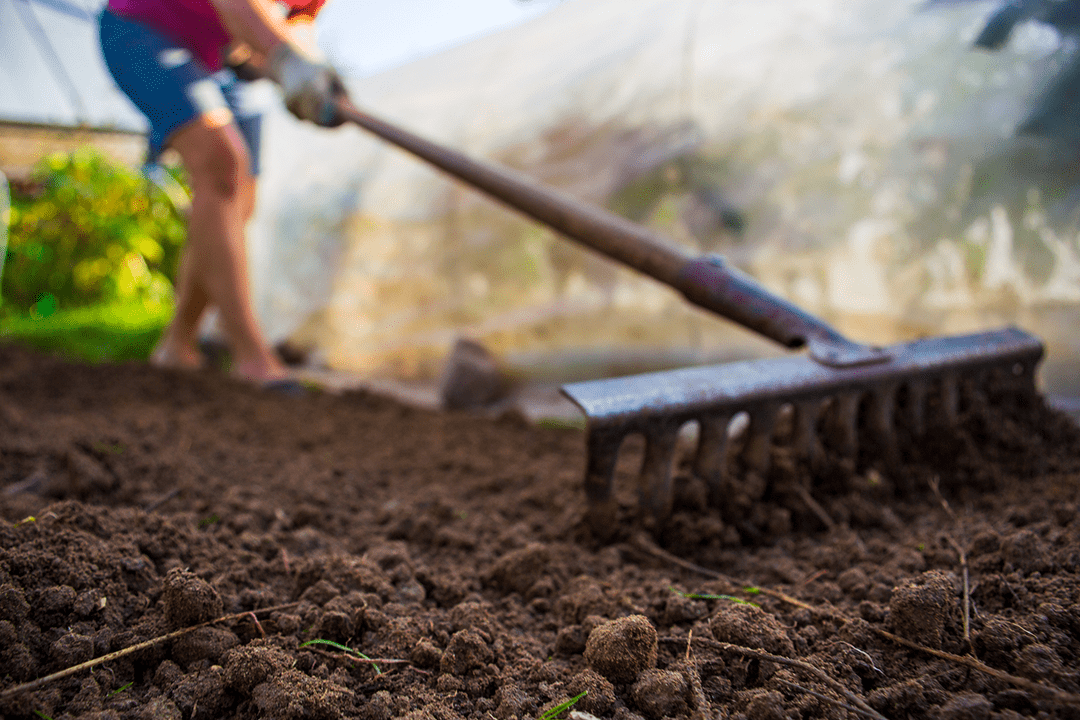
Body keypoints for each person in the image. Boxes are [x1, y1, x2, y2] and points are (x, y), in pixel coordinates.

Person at [98, 0, 347, 386]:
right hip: (140, 27)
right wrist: (285, 60)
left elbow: (299, 23)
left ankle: (177, 345)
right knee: (221, 163)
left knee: (238, 198)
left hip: (214, 58)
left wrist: (309, 72)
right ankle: (251, 354)